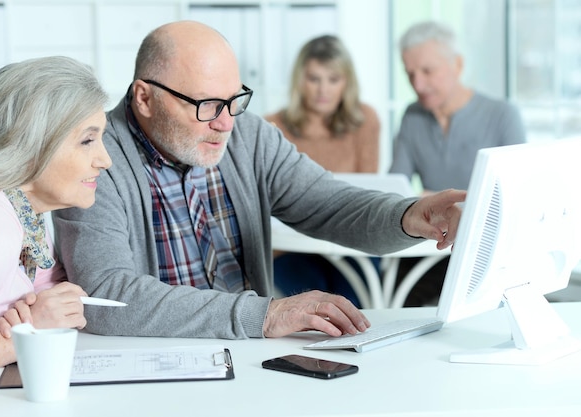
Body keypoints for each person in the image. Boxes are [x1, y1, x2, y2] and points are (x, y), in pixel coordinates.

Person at [48, 20, 464, 341]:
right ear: (144, 97)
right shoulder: (94, 156)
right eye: (208, 105)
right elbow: (105, 295)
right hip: (160, 359)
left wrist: (411, 214)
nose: (226, 123)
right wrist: (263, 315)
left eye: (234, 100)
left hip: (251, 351)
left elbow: (329, 204)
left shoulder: (248, 136)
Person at [0, 56, 112, 378]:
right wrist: (22, 336)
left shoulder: (22, 212)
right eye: (87, 141)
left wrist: (52, 304)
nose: (105, 160)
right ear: (28, 148)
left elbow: (37, 290)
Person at [389, 20, 526, 306]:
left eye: (428, 71)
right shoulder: (412, 117)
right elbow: (395, 188)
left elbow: (516, 196)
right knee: (396, 301)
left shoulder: (502, 115)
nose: (418, 84)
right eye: (410, 73)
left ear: (458, 65)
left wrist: (431, 200)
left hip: (486, 247)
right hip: (430, 245)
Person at [265, 34, 381, 306]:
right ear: (299, 80)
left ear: (346, 82)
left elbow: (367, 191)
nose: (323, 90)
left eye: (333, 79)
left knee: (353, 306)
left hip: (353, 245)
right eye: (314, 79)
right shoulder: (272, 125)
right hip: (291, 247)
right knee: (316, 308)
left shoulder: (364, 121)